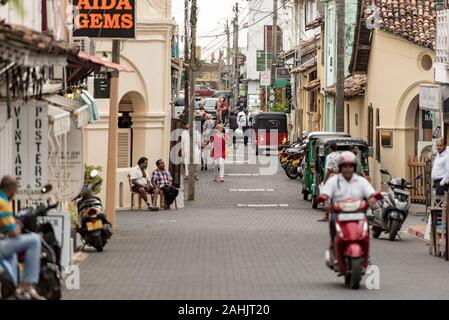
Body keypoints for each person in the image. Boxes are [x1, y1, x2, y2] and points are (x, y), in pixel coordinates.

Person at [0, 176, 46, 300]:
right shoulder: (3, 202)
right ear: (12, 190)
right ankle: (27, 284)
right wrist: (18, 224)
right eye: (15, 191)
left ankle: (14, 290)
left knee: (13, 253)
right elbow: (13, 233)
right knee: (35, 240)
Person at [319, 152, 378, 247]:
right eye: (345, 166)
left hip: (357, 213)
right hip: (339, 213)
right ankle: (334, 247)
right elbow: (325, 193)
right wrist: (324, 200)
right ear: (340, 167)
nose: (347, 169)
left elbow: (370, 192)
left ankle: (366, 256)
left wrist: (372, 199)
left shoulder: (361, 181)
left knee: (365, 229)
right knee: (333, 224)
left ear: (354, 167)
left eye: (350, 166)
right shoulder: (333, 181)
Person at [318, 142, 339, 222]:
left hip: (332, 178)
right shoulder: (340, 156)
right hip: (340, 178)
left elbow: (329, 170)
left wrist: (325, 181)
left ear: (330, 149)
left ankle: (326, 216)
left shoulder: (329, 157)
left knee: (327, 196)